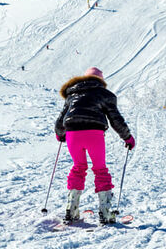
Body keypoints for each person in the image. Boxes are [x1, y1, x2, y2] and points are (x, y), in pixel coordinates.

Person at [54, 67, 136, 224]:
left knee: (78, 167)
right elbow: (115, 119)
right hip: (94, 134)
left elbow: (61, 120)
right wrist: (127, 137)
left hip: (72, 134)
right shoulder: (105, 95)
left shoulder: (72, 94)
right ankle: (105, 214)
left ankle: (71, 211)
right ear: (101, 81)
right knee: (100, 169)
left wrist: (60, 134)